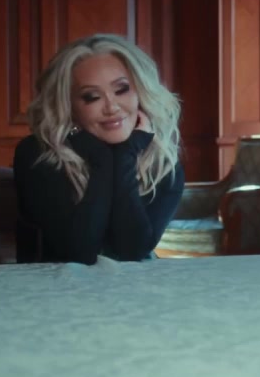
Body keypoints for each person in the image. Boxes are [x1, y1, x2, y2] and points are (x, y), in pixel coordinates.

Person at [14, 33, 185, 264]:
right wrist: (102, 160)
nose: (111, 107)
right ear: (69, 106)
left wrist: (125, 155)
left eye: (121, 90)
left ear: (141, 92)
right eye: (92, 97)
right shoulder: (38, 154)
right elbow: (78, 252)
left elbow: (133, 251)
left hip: (136, 284)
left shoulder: (163, 163)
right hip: (54, 285)